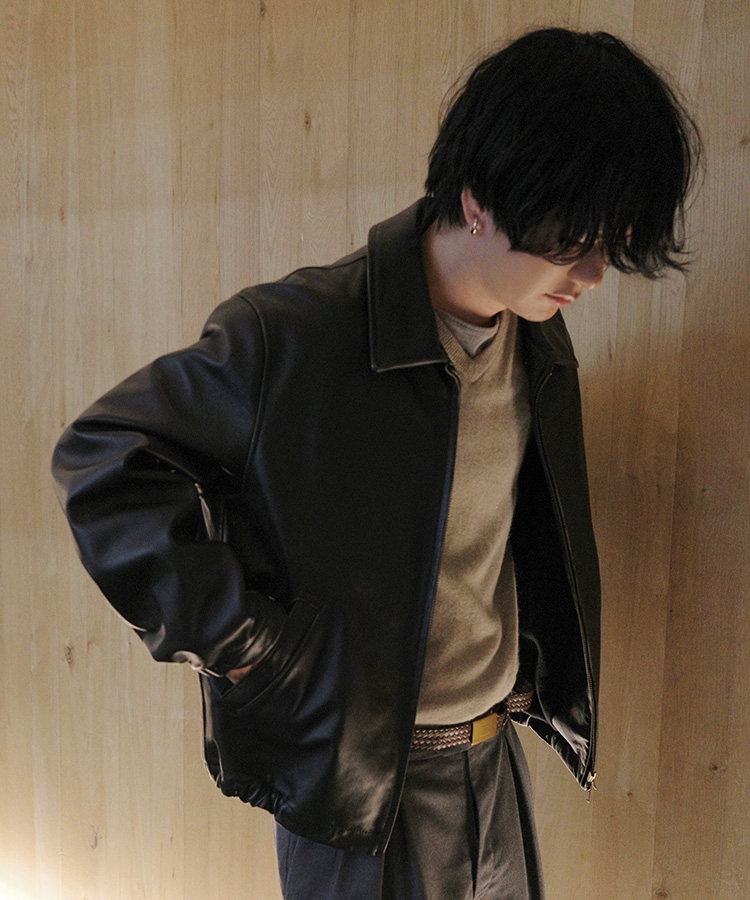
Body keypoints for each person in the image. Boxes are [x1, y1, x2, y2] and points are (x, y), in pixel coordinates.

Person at [52, 27, 700, 900]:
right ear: (480, 199)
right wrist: (243, 646)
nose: (593, 273)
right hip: (366, 798)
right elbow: (103, 456)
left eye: (610, 244)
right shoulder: (297, 335)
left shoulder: (539, 344)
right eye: (575, 238)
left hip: (493, 764)